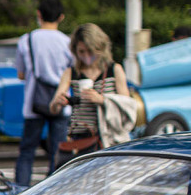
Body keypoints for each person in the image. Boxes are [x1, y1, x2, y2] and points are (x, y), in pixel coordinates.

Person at [50, 23, 136, 157]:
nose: (86, 56)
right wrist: (58, 101)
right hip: (80, 138)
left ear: (99, 48)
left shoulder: (114, 70)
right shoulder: (71, 73)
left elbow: (126, 106)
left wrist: (102, 100)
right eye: (81, 52)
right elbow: (53, 108)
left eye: (90, 51)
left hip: (109, 139)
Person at [13, 0, 71, 187]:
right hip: (61, 101)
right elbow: (72, 72)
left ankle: (20, 191)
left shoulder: (27, 39)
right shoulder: (67, 42)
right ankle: (54, 191)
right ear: (61, 17)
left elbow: (21, 73)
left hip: (33, 102)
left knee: (27, 151)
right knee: (57, 152)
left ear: (38, 14)